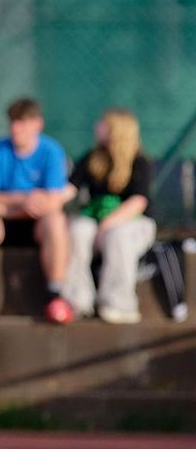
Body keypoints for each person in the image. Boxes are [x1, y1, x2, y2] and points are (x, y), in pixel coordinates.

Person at [0, 98, 74, 324]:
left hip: (37, 227)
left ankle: (55, 295)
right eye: (13, 122)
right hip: (5, 225)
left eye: (22, 122)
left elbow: (53, 201)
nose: (15, 128)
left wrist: (5, 204)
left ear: (37, 124)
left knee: (56, 221)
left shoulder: (51, 150)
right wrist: (24, 200)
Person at [61, 108, 155, 324]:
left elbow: (138, 202)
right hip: (97, 222)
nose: (97, 127)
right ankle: (77, 299)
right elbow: (70, 189)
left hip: (134, 224)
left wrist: (108, 224)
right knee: (77, 230)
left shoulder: (139, 161)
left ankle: (119, 303)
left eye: (103, 124)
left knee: (118, 235)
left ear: (117, 130)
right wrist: (45, 200)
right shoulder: (92, 158)